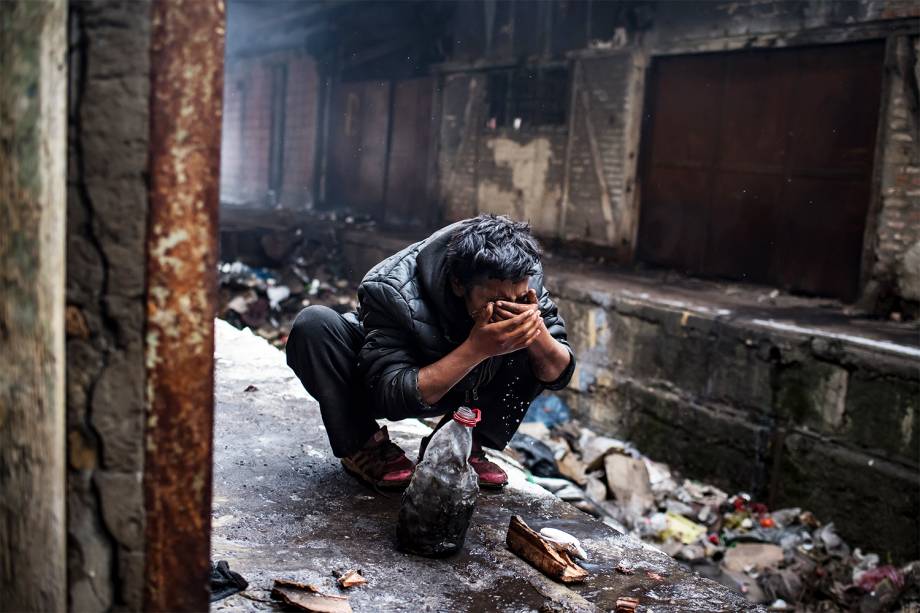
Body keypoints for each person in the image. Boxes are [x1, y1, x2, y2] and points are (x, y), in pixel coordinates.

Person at [286, 214, 575, 490]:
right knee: (313, 325)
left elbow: (557, 373)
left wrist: (533, 330)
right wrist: (476, 348)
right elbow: (393, 396)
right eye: (495, 299)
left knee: (532, 341)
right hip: (390, 376)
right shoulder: (392, 288)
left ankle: (462, 440)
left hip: (467, 387)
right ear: (458, 284)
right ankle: (365, 446)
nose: (508, 308)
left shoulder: (521, 278)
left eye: (518, 298)